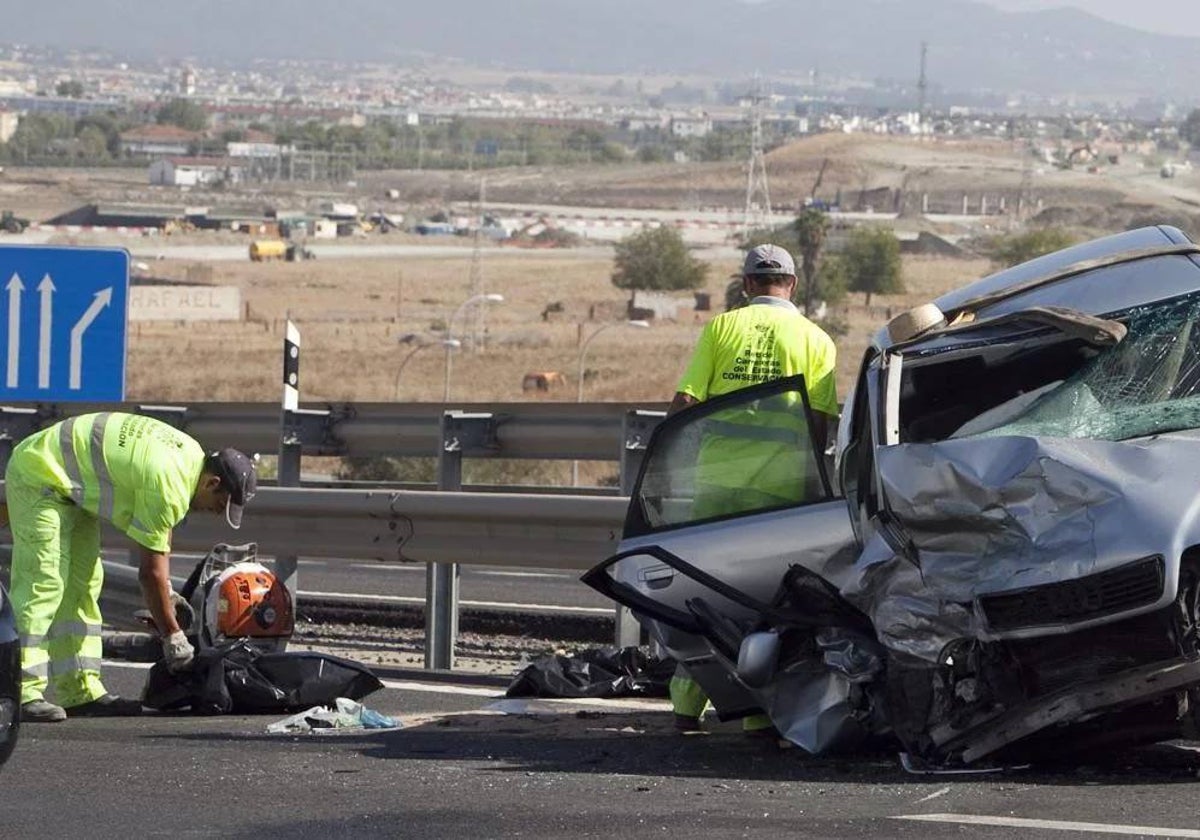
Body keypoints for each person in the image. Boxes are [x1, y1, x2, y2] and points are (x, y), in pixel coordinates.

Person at [667, 243, 838, 735]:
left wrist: (664, 457)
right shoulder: (815, 339)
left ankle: (685, 707)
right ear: (793, 284)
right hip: (779, 494)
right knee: (767, 603)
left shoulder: (722, 328)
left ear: (745, 285)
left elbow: (686, 400)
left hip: (716, 485)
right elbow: (821, 425)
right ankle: (760, 717)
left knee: (701, 596)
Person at [6, 412, 256, 722]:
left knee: (82, 586)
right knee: (43, 582)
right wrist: (173, 637)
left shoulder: (190, 459)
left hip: (73, 486)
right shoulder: (168, 483)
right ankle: (18, 691)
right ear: (213, 482)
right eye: (220, 504)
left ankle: (80, 691)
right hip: (39, 474)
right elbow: (149, 572)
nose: (216, 513)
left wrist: (166, 593)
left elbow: (159, 546)